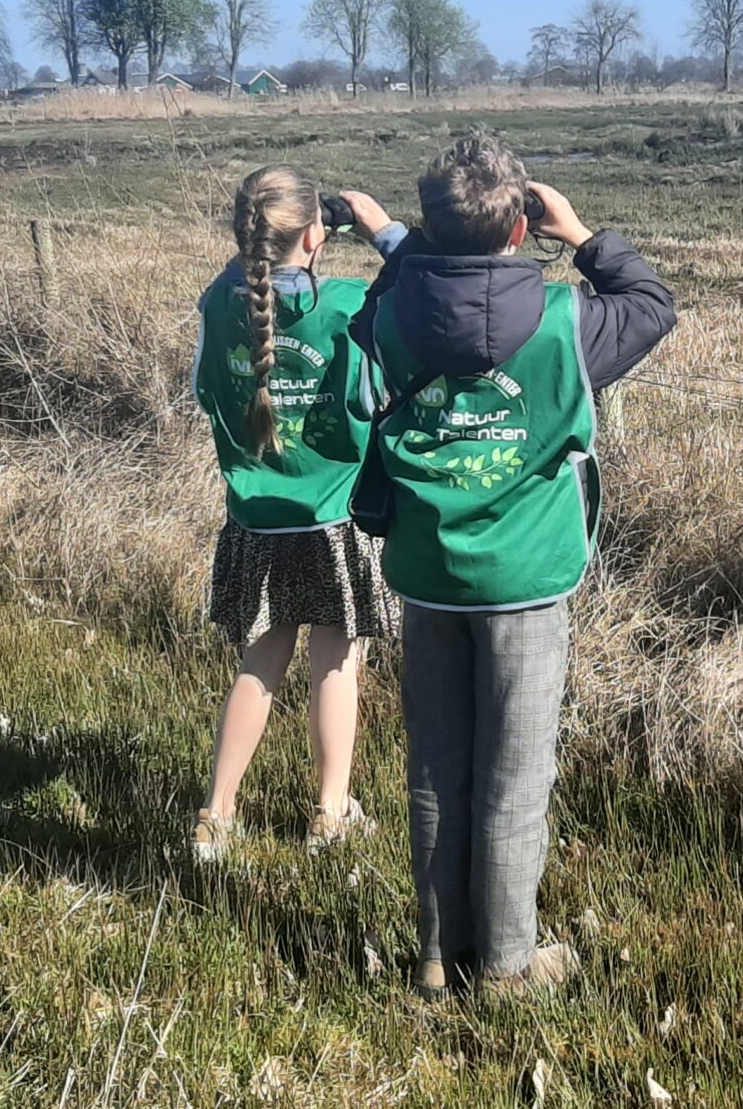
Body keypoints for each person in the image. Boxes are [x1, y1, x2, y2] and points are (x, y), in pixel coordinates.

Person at [354, 131, 677, 997]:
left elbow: (393, 299)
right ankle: (504, 967)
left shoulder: (386, 318)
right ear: (519, 227)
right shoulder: (569, 327)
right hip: (529, 581)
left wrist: (420, 248)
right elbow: (651, 303)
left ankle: (435, 956)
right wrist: (581, 237)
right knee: (514, 776)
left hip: (427, 576)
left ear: (433, 226)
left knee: (435, 772)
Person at [189, 166, 405, 863]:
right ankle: (331, 809)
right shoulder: (346, 305)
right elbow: (422, 305)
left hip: (256, 516)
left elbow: (203, 389)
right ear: (318, 234)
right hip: (332, 513)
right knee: (337, 661)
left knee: (263, 656)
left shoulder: (219, 306)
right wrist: (379, 229)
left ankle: (216, 814)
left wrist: (280, 242)